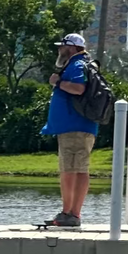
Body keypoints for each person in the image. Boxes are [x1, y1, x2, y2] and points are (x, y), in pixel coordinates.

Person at [42, 33, 97, 228]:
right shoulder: (83, 63)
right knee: (78, 169)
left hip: (74, 128)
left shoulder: (76, 65)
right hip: (77, 127)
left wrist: (57, 82)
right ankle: (71, 213)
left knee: (70, 170)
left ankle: (69, 213)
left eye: (62, 47)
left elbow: (78, 88)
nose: (59, 50)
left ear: (72, 48)